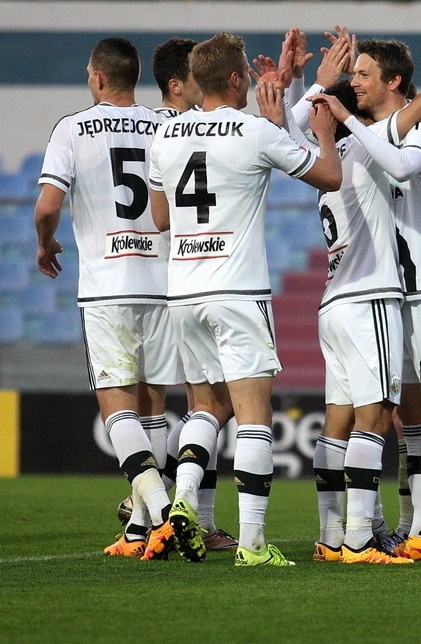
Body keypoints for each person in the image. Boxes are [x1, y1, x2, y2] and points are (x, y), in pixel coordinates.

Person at [148, 31, 342, 566]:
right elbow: (328, 175)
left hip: (183, 289)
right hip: (237, 289)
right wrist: (323, 131)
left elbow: (161, 218)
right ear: (236, 80)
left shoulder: (165, 137)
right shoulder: (254, 131)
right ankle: (253, 544)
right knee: (255, 416)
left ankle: (183, 503)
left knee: (205, 407)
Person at [322, 36, 421, 564]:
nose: (356, 81)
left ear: (392, 82)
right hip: (397, 289)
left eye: (365, 73)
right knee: (408, 416)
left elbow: (405, 167)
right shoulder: (375, 131)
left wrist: (350, 119)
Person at [34, 37, 179, 560]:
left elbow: (48, 204)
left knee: (116, 405)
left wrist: (46, 241)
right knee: (154, 405)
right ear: (134, 77)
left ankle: (163, 513)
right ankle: (140, 532)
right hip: (162, 283)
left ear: (97, 77)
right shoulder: (164, 124)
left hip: (107, 288)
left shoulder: (72, 128)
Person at [111, 36, 241, 553]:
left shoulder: (150, 127)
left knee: (196, 404)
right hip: (181, 280)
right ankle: (159, 504)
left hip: (165, 282)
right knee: (211, 403)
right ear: (177, 83)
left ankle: (157, 508)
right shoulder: (179, 129)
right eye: (195, 76)